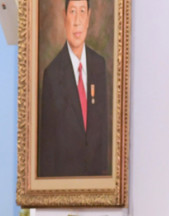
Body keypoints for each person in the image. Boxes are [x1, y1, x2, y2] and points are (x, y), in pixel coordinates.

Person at [38, 0, 110, 177]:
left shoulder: (99, 65)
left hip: (98, 184)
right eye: (72, 12)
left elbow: (103, 131)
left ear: (89, 18)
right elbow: (47, 146)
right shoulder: (52, 74)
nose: (77, 20)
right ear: (64, 16)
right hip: (65, 182)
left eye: (82, 11)